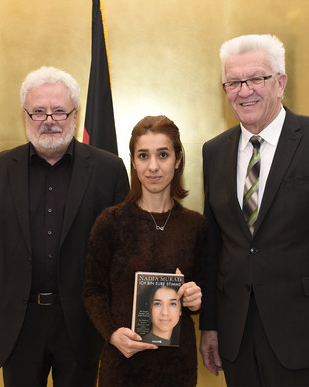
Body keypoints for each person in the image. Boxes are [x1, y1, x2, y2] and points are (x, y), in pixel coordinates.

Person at [199, 34, 309, 386]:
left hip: (308, 334)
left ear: (280, 83)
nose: (244, 90)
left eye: (256, 78)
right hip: (237, 336)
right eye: (234, 82)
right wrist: (211, 325)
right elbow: (214, 248)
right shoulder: (214, 151)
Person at [0, 66, 129, 387]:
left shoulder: (109, 169)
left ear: (75, 115)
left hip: (85, 325)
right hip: (17, 326)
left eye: (59, 111)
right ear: (25, 115)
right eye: (38, 111)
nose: (49, 120)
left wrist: (116, 325)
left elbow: (124, 253)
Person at [83, 115, 207, 387]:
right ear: (133, 161)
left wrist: (197, 298)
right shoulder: (111, 222)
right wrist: (112, 333)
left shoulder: (196, 226)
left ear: (177, 159)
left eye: (163, 154)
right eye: (143, 155)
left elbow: (204, 294)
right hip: (122, 366)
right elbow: (92, 291)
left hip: (177, 369)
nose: (153, 166)